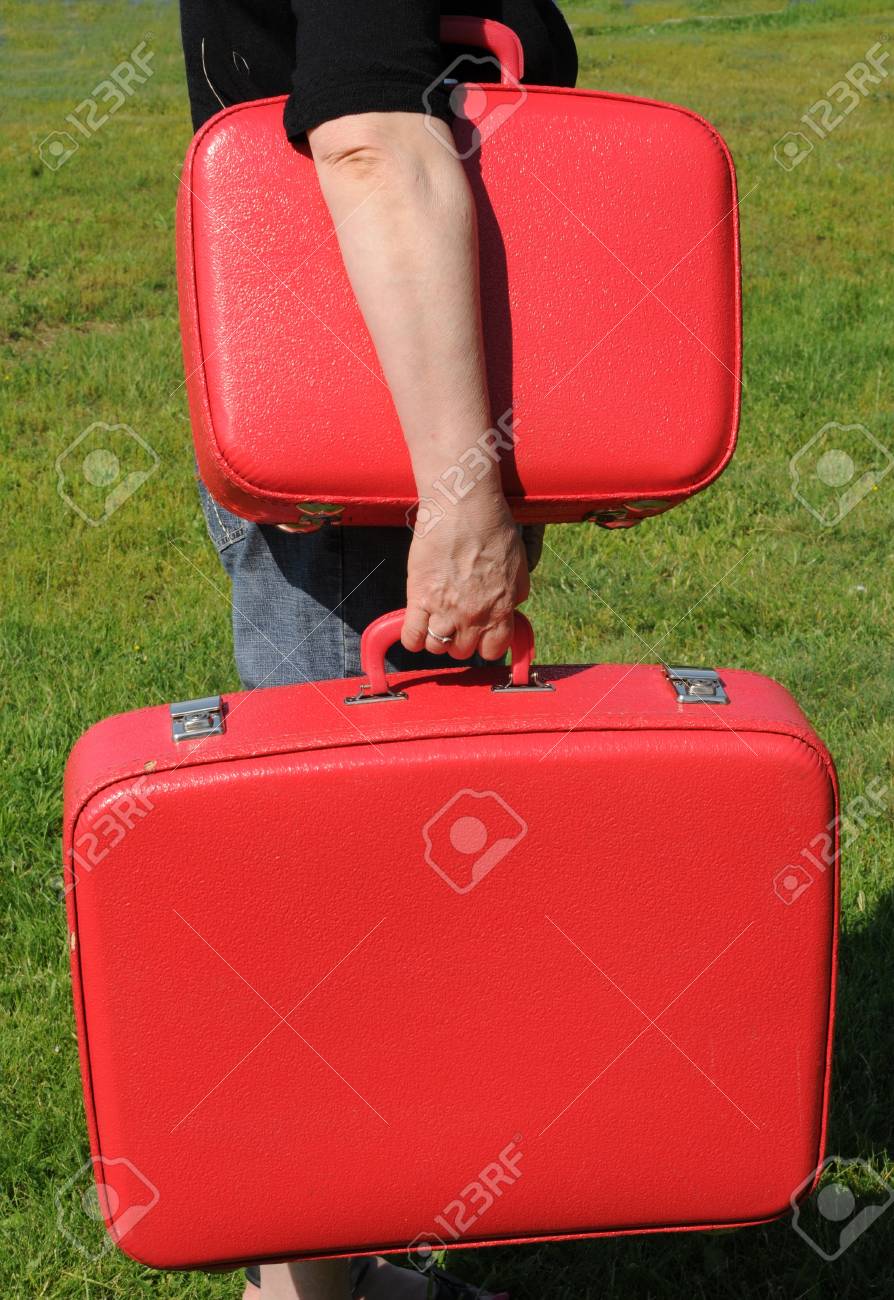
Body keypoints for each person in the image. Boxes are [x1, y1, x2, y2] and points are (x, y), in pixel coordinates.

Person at [177, 3, 577, 1296]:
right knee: (339, 904)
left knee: (381, 891)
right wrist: (463, 497)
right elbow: (366, 137)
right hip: (371, 450)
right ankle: (303, 1285)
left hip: (371, 422)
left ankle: (350, 1262)